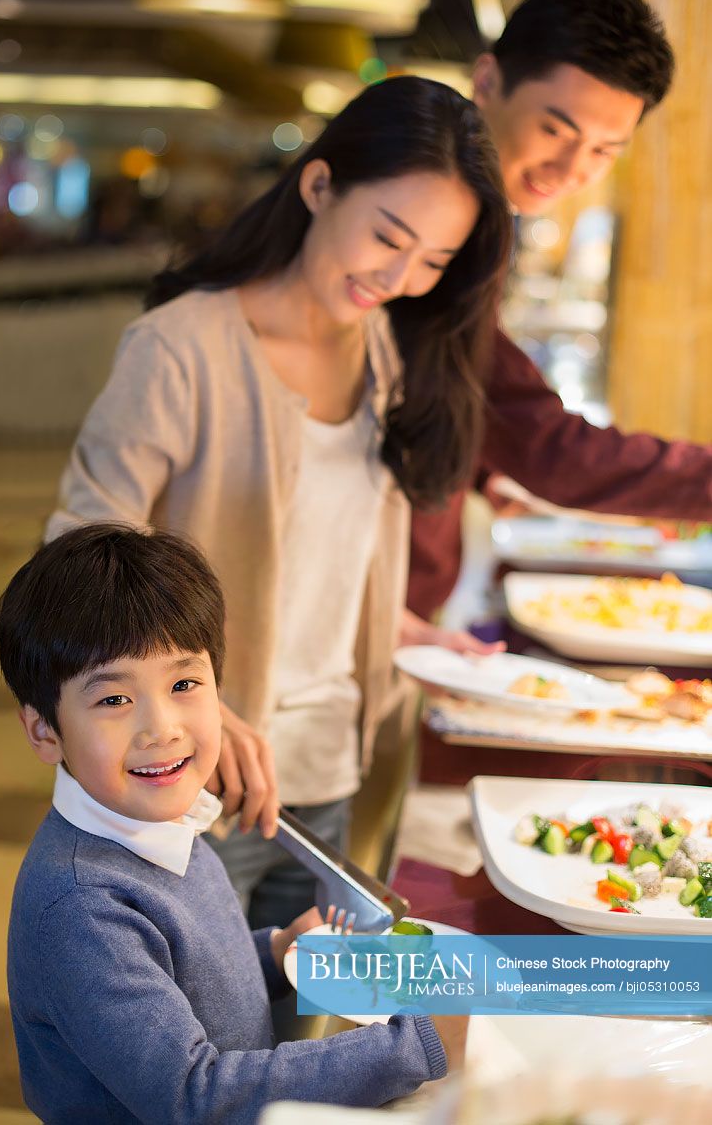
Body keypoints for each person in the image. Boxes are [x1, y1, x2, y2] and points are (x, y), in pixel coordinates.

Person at [45, 76, 512, 925]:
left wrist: (403, 634)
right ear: (319, 184)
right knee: (198, 1041)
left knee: (303, 1034)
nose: (401, 277)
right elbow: (78, 551)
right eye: (387, 236)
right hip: (194, 779)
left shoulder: (383, 350)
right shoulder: (181, 347)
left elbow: (315, 557)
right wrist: (203, 709)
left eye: (434, 261)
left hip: (328, 770)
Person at [0, 523, 465, 1124]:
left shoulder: (161, 821)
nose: (160, 727)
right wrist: (420, 1045)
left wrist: (274, 952)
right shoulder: (83, 908)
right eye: (113, 699)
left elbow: (178, 975)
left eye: (184, 683)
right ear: (43, 729)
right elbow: (197, 1094)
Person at [408, 0, 712, 620]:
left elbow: (444, 382)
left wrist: (484, 469)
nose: (573, 169)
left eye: (603, 151)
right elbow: (546, 446)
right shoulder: (429, 223)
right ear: (486, 82)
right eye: (554, 129)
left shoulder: (481, 220)